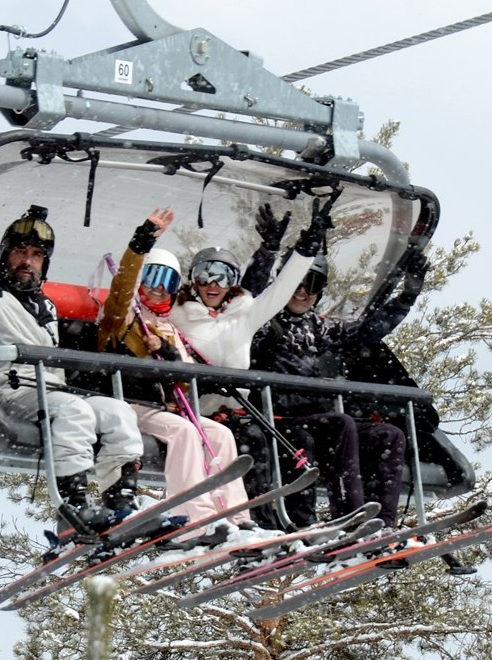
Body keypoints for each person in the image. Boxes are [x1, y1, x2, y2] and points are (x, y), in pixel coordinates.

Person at [0, 201, 147, 533]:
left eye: (37, 255)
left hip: (51, 392)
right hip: (8, 391)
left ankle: (120, 500)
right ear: (5, 255)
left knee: (119, 413)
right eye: (20, 252)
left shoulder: (46, 307)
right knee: (76, 412)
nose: (28, 261)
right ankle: (73, 508)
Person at [167, 201, 330, 526]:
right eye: (205, 275)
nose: (213, 284)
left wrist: (308, 246)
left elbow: (281, 289)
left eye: (223, 276)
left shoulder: (242, 318)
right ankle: (255, 522)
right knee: (251, 442)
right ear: (193, 280)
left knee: (284, 440)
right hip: (197, 413)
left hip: (237, 413)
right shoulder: (176, 316)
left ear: (233, 284)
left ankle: (292, 522)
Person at [98, 208, 253, 538]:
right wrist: (142, 242)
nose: (157, 289)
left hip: (162, 408)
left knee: (220, 435)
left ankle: (234, 513)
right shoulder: (122, 319)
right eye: (151, 279)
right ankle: (192, 514)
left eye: (166, 283)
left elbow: (183, 380)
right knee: (184, 433)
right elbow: (123, 287)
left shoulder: (168, 329)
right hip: (130, 405)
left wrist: (168, 355)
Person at [249, 248, 431, 528]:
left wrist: (407, 297)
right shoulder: (261, 318)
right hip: (281, 418)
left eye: (313, 285)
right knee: (340, 423)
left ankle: (382, 523)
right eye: (297, 283)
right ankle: (350, 518)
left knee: (388, 435)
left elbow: (369, 330)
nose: (303, 292)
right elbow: (248, 295)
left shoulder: (319, 328)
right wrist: (267, 252)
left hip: (319, 421)